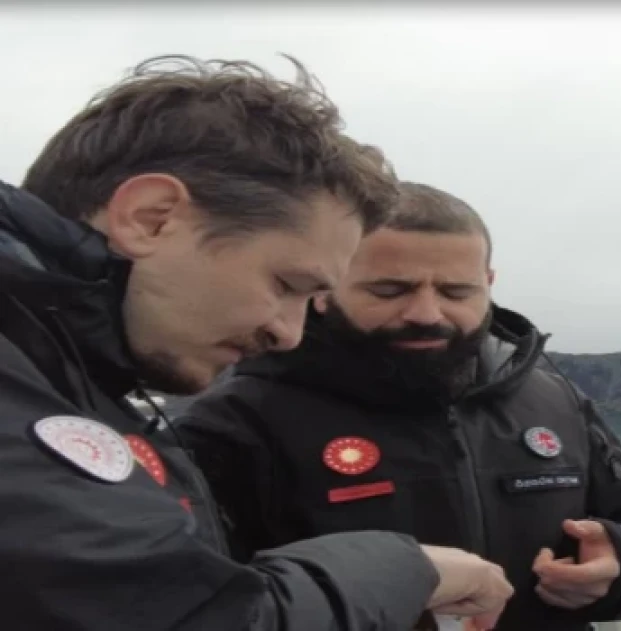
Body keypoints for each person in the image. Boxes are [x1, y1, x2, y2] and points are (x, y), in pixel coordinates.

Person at [0, 55, 513, 630]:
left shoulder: (59, 371)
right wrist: (408, 568)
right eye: (287, 285)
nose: (288, 333)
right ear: (150, 218)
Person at [173, 181, 621, 630]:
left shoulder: (549, 396)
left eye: (457, 291)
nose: (426, 313)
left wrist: (620, 564)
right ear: (326, 286)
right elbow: (195, 606)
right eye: (390, 290)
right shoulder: (236, 420)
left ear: (489, 282)